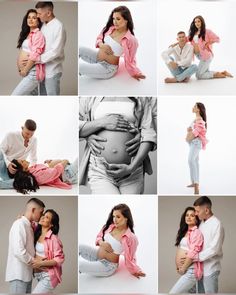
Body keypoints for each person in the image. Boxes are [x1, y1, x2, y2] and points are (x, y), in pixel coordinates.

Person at [79, 97, 157, 194]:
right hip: (100, 169)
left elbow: (149, 132)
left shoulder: (142, 97)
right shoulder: (89, 97)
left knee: (130, 205)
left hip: (133, 169)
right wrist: (99, 124)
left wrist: (131, 167)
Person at [79, 6, 145, 81]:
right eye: (113, 18)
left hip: (107, 68)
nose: (114, 22)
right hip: (97, 57)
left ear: (126, 20)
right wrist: (102, 45)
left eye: (118, 19)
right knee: (79, 49)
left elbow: (131, 58)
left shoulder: (131, 40)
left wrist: (135, 72)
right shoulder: (109, 28)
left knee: (79, 67)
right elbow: (99, 38)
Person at [79, 203, 146, 278]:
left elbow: (131, 256)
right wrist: (102, 243)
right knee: (79, 247)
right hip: (97, 255)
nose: (114, 219)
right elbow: (99, 237)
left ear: (126, 218)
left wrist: (135, 271)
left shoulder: (131, 237)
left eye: (118, 217)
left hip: (108, 266)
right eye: (113, 216)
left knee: (80, 265)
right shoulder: (109, 226)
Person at [5, 198, 45, 294]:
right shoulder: (19, 224)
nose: (42, 215)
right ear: (33, 210)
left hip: (27, 275)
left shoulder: (29, 226)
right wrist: (35, 261)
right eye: (41, 212)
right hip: (18, 275)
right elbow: (18, 251)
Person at [193, 196, 225, 293]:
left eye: (197, 211)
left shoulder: (217, 224)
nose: (195, 214)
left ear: (206, 210)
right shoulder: (202, 223)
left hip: (211, 268)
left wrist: (195, 256)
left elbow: (214, 249)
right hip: (200, 268)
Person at [34, 1, 66, 95]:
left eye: (39, 13)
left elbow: (56, 51)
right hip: (42, 70)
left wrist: (37, 59)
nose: (38, 16)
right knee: (43, 97)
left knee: (53, 99)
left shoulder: (58, 26)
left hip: (53, 70)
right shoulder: (43, 25)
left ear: (48, 13)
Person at [169, 207, 203, 293]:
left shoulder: (196, 232)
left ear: (197, 219)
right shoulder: (185, 232)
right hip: (186, 269)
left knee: (172, 293)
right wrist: (178, 266)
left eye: (192, 216)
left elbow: (193, 252)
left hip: (191, 270)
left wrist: (183, 268)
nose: (188, 217)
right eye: (187, 215)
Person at [11, 9, 45, 95]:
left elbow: (35, 55)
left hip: (32, 72)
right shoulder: (27, 34)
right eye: (29, 17)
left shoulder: (38, 34)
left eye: (34, 18)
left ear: (38, 21)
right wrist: (20, 69)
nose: (30, 19)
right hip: (27, 72)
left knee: (15, 96)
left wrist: (25, 70)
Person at [188, 15, 233, 80]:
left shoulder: (207, 31)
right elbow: (185, 39)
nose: (197, 23)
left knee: (199, 75)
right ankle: (223, 73)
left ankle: (221, 74)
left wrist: (209, 43)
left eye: (198, 21)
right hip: (199, 56)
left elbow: (217, 39)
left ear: (202, 22)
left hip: (206, 56)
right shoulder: (193, 33)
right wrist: (176, 43)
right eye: (195, 22)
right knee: (205, 72)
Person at [31, 209, 64, 293]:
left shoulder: (53, 238)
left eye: (47, 217)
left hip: (48, 276)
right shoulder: (37, 232)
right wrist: (20, 218)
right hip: (38, 275)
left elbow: (59, 259)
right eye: (43, 215)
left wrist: (41, 263)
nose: (43, 218)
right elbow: (29, 222)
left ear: (51, 224)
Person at [0, 119, 37, 189]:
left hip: (18, 170)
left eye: (31, 134)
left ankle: (8, 183)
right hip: (5, 166)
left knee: (28, 181)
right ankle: (12, 182)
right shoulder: (11, 135)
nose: (29, 136)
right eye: (27, 133)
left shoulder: (34, 140)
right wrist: (8, 164)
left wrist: (31, 171)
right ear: (22, 128)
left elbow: (33, 158)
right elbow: (1, 151)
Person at [10, 158, 78, 194]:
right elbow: (55, 172)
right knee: (84, 154)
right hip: (68, 173)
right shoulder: (37, 175)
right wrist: (65, 161)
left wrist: (50, 163)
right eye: (22, 161)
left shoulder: (32, 169)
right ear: (23, 169)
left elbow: (48, 171)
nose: (24, 159)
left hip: (67, 170)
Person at [185, 103, 207, 195]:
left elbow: (196, 133)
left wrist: (190, 132)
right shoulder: (196, 119)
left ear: (198, 109)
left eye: (195, 106)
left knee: (191, 161)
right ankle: (194, 182)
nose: (193, 107)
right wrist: (189, 131)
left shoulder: (199, 120)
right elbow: (193, 131)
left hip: (196, 143)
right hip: (193, 143)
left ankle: (196, 185)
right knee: (195, 162)